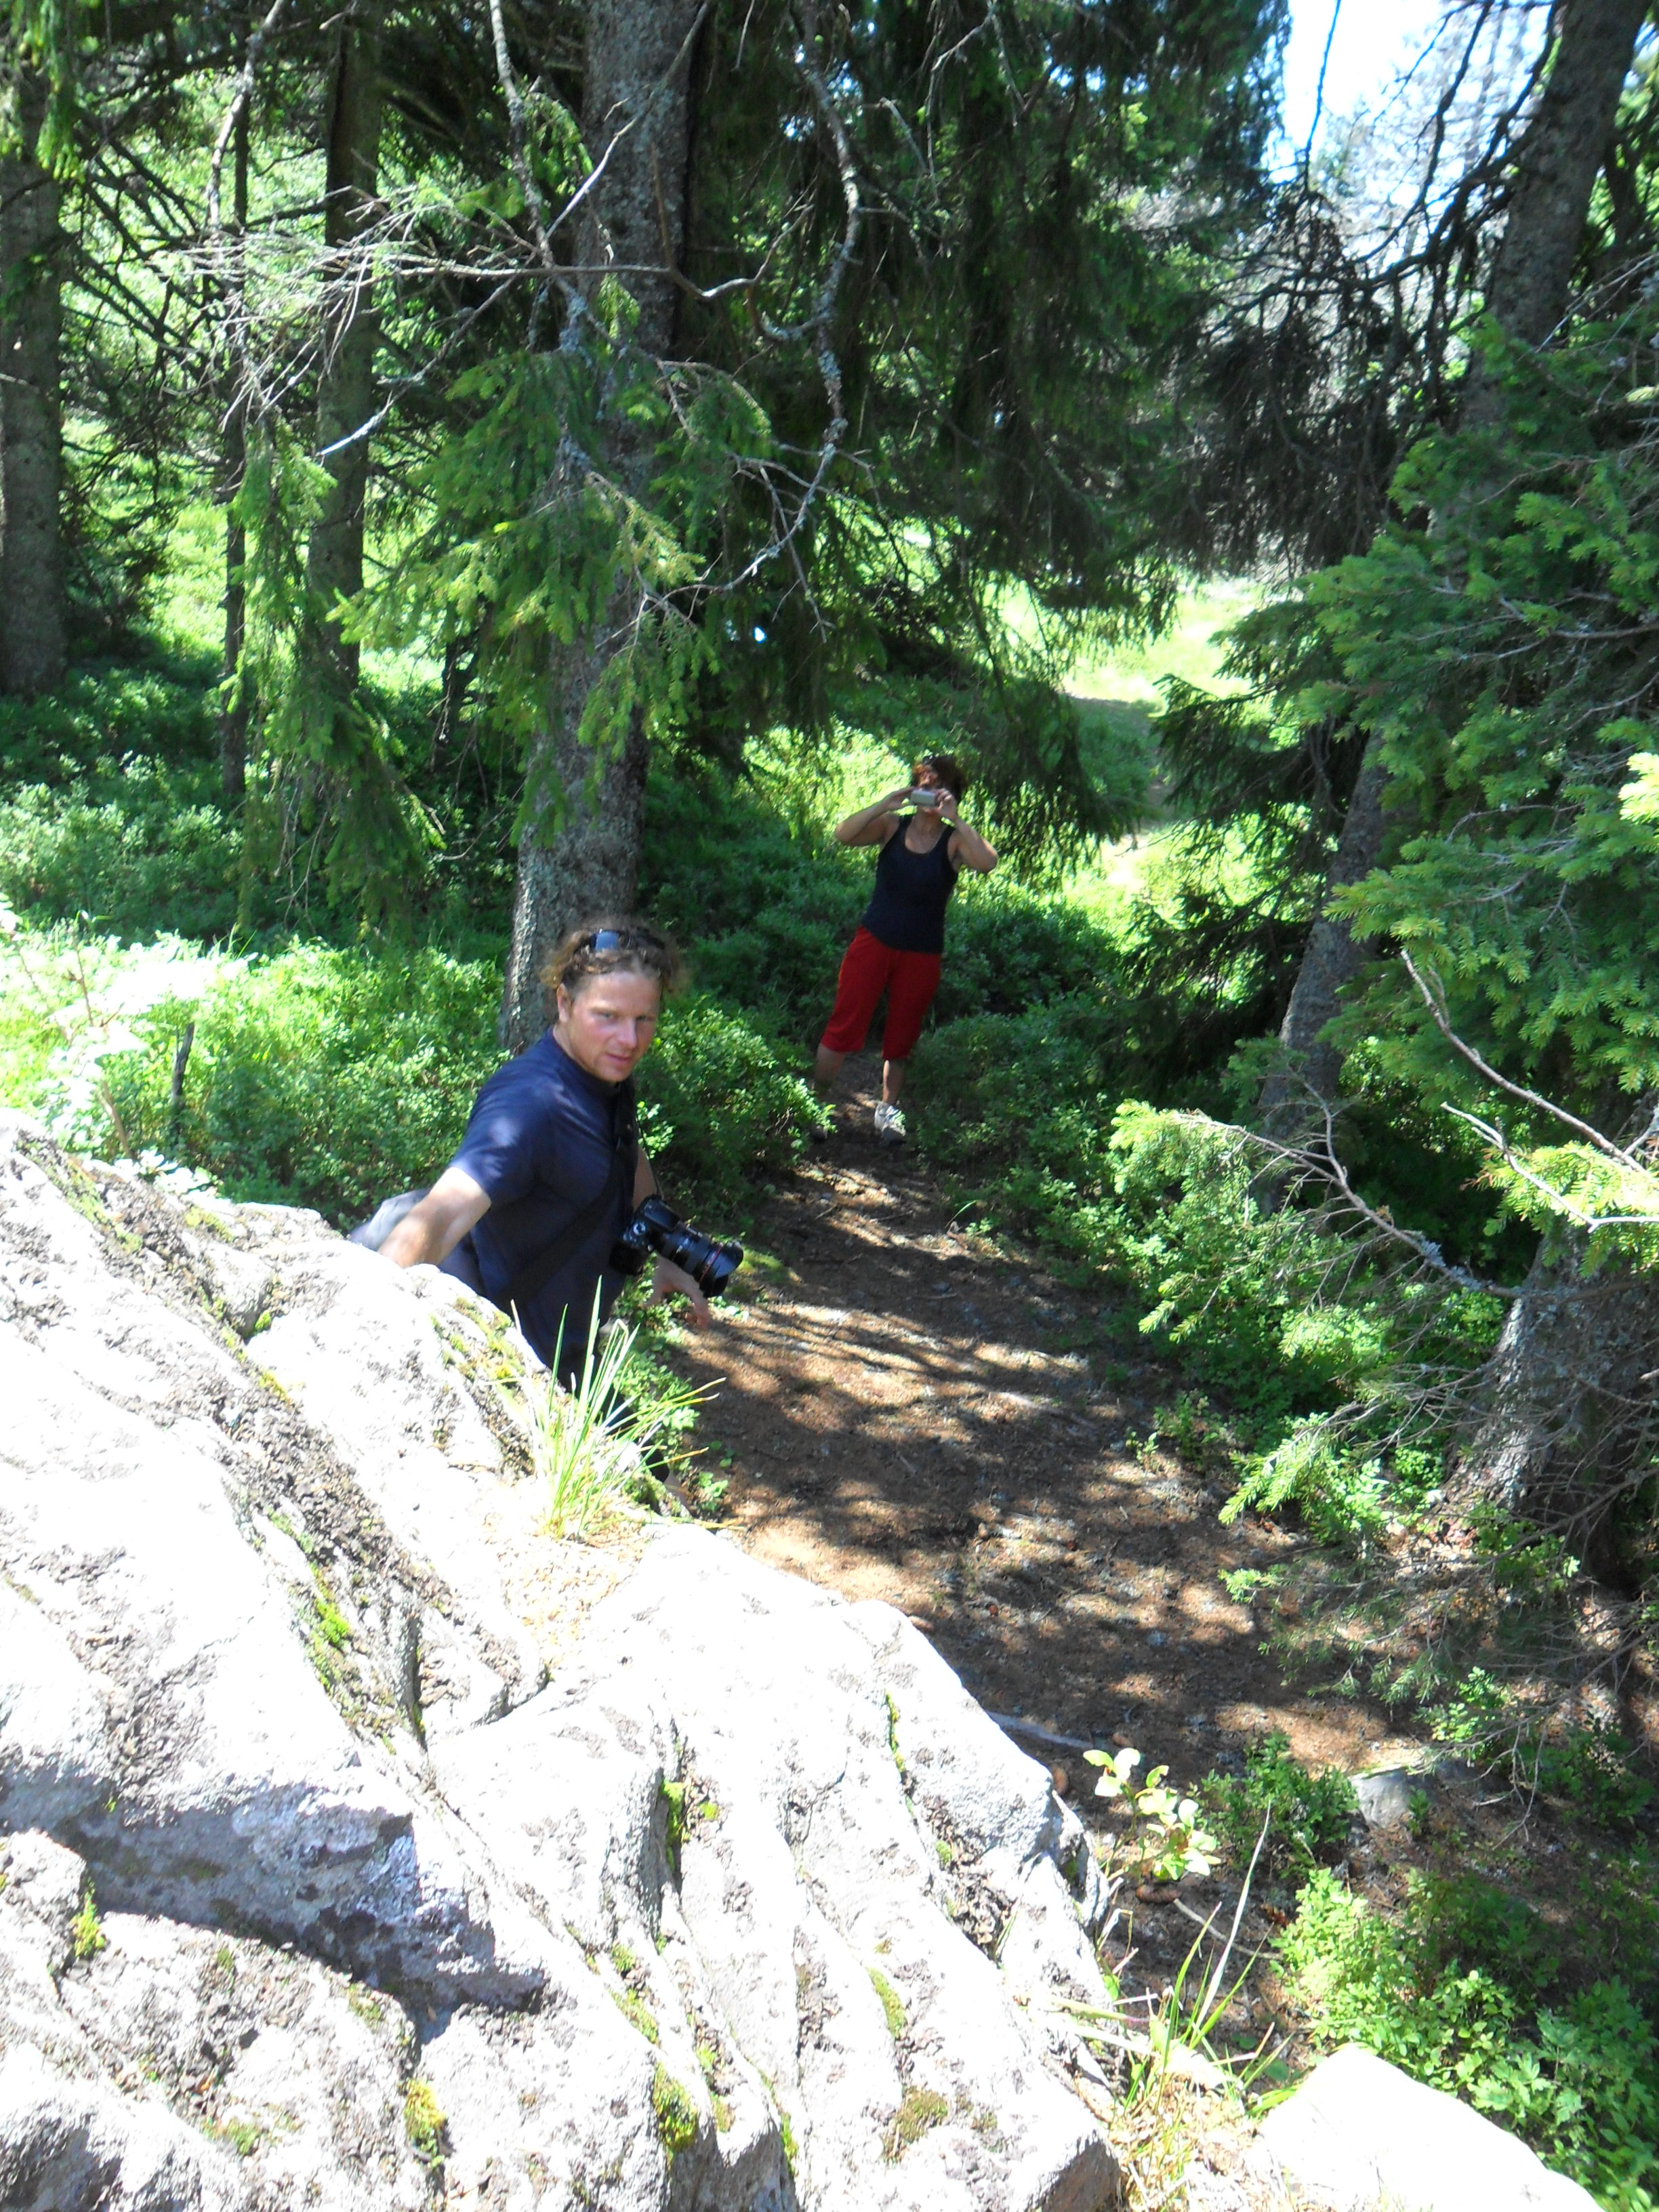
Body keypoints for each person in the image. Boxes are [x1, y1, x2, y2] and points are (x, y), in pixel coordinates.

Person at [380, 920, 711, 1380]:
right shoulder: (530, 1105)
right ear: (564, 1003)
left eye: (644, 1019)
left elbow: (624, 1149)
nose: (630, 1040)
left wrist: (669, 1247)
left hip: (567, 1360)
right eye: (608, 1016)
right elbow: (439, 1216)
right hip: (503, 1371)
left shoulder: (604, 1076)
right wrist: (365, 1322)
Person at [814, 752, 998, 1143]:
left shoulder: (953, 842)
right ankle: (817, 1105)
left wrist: (956, 819)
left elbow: (988, 863)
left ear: (952, 793)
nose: (931, 793)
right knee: (843, 1025)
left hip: (922, 953)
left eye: (939, 787)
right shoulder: (890, 827)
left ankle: (888, 1113)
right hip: (874, 942)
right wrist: (884, 804)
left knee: (902, 1037)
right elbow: (843, 834)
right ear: (914, 789)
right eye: (924, 785)